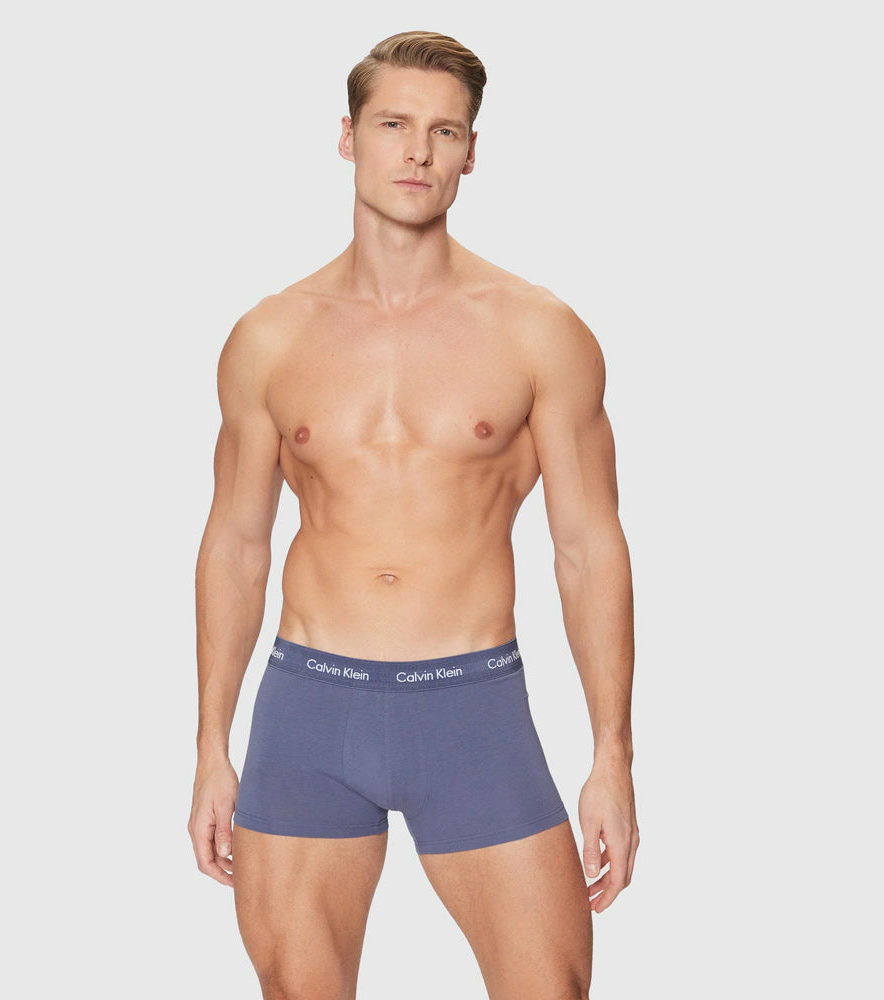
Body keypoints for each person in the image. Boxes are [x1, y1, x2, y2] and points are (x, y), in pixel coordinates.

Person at [189, 29, 638, 1000]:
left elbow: (587, 547)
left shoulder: (538, 332)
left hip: (472, 710)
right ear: (347, 136)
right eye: (393, 124)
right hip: (308, 711)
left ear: (472, 152)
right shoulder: (270, 337)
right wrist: (209, 745)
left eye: (445, 131)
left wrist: (612, 755)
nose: (418, 152)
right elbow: (236, 544)